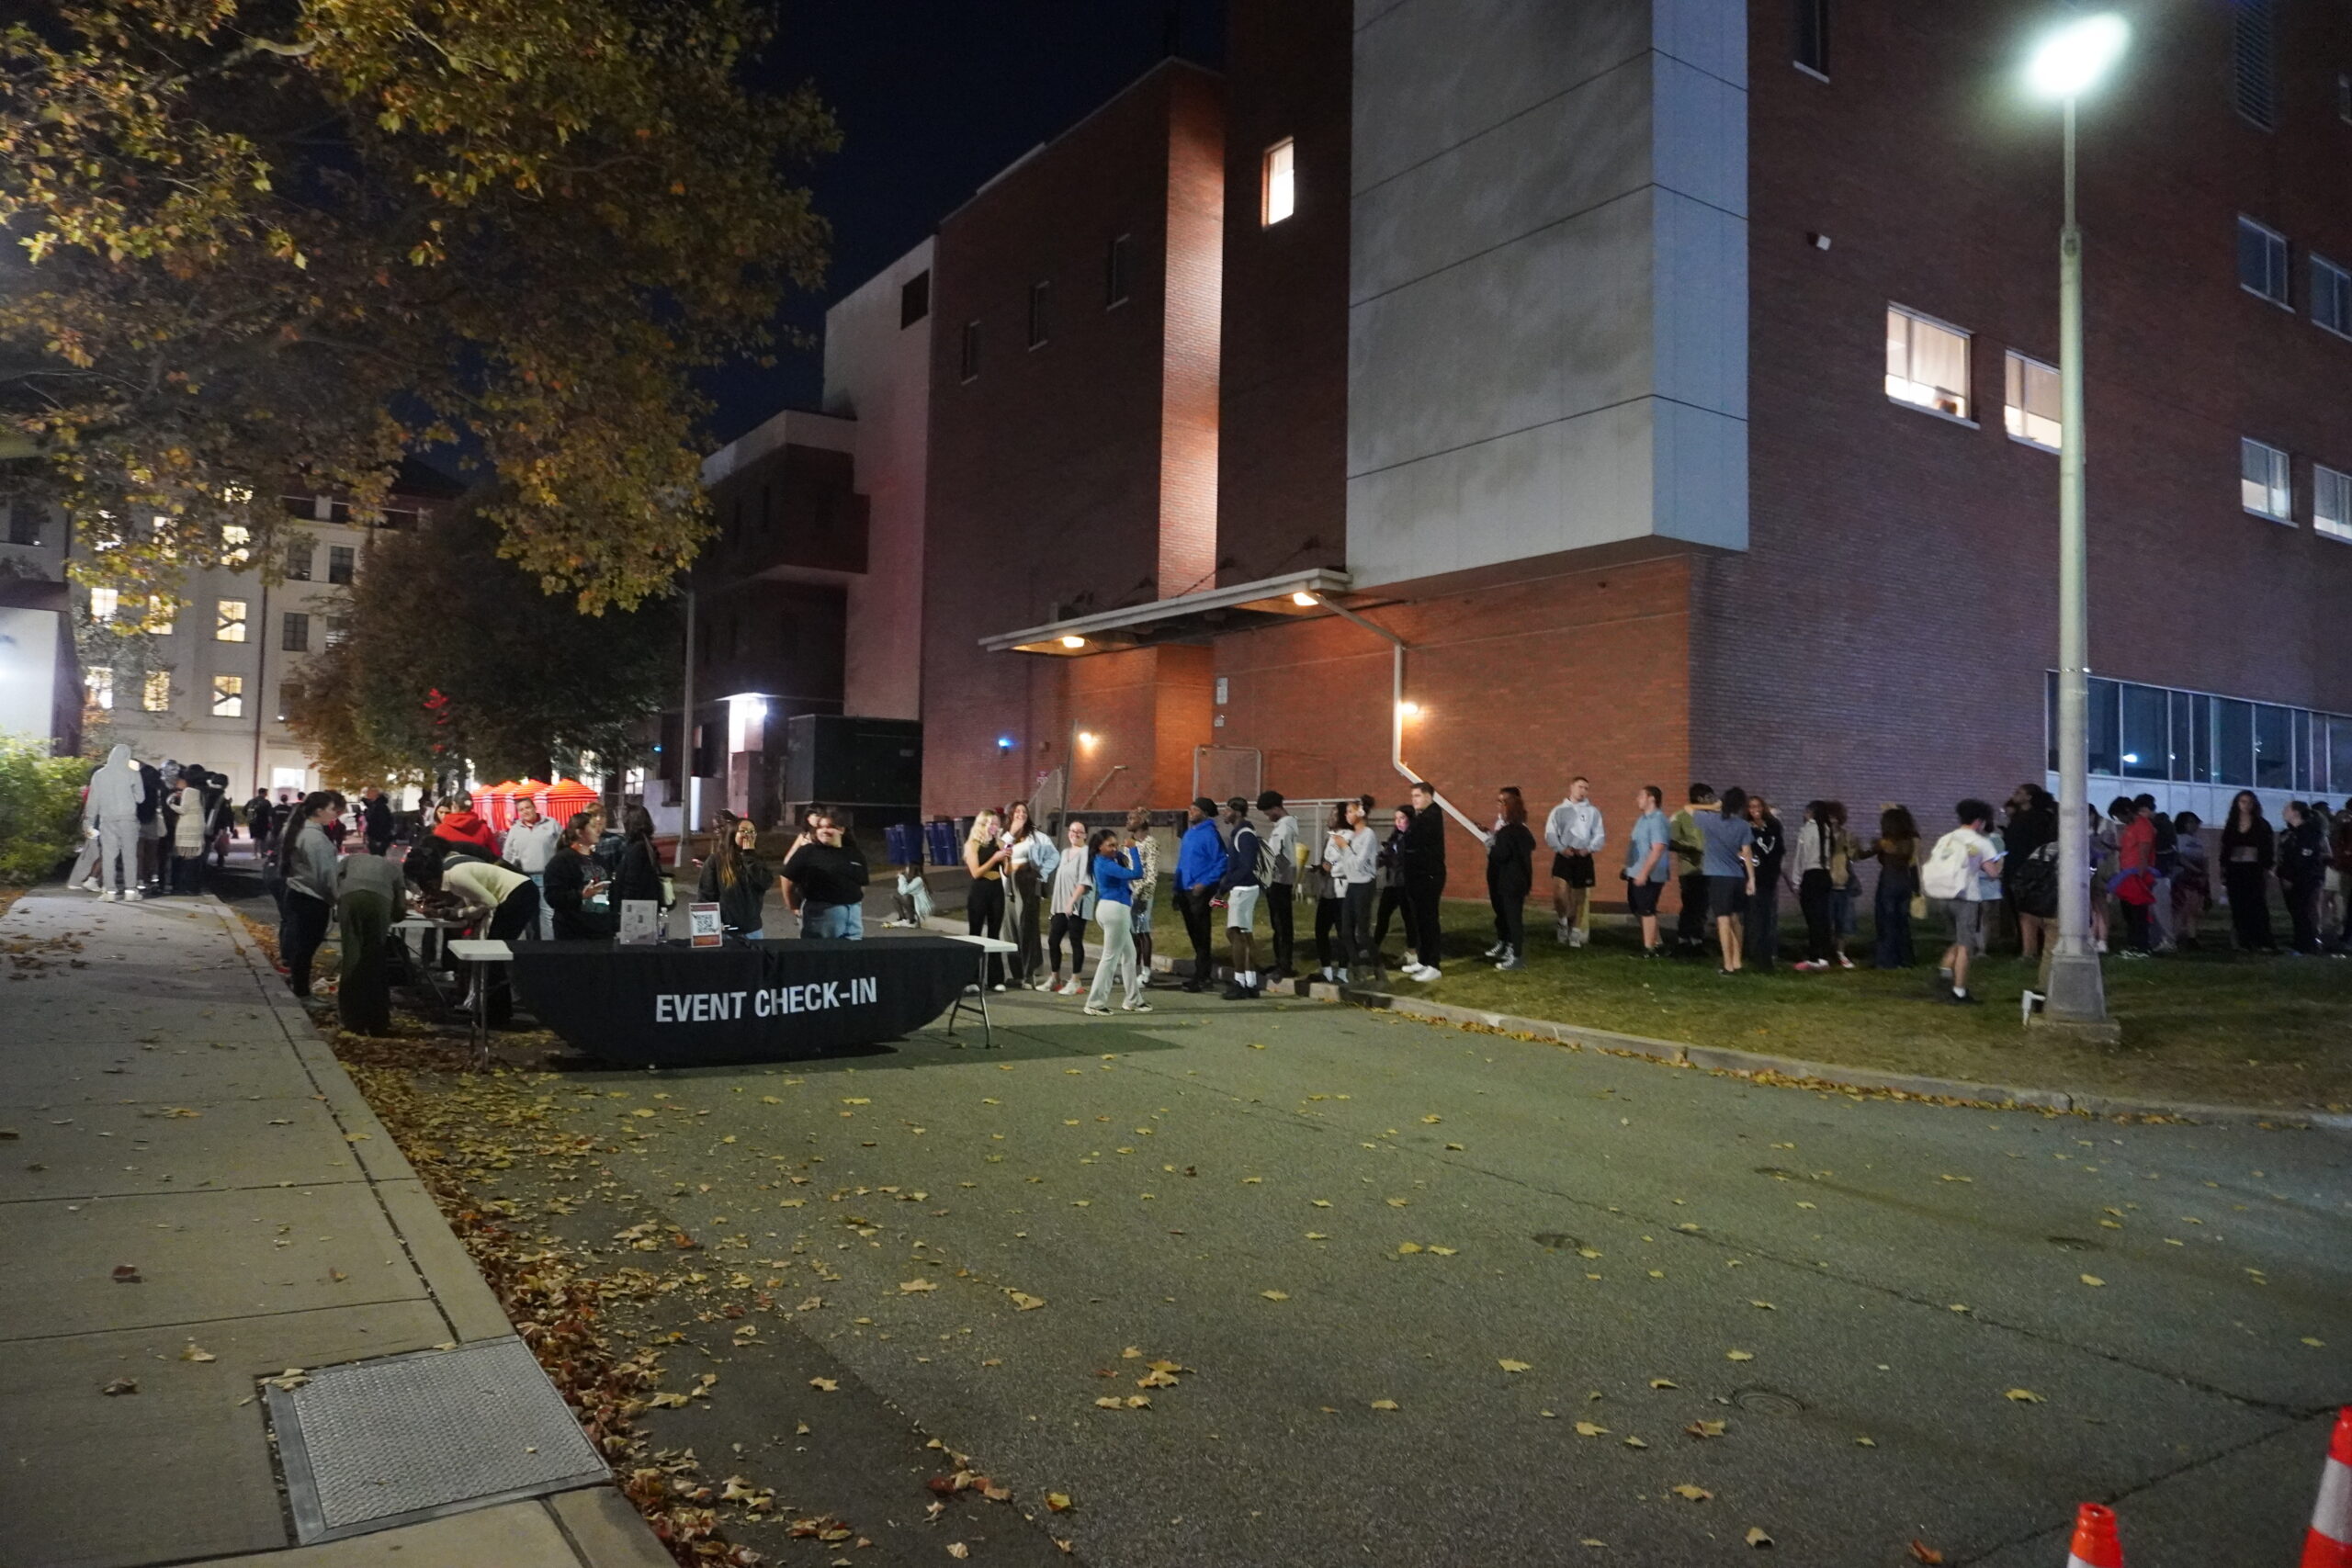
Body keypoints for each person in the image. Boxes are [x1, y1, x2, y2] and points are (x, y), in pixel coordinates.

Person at [432, 851, 541, 1025]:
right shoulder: (454, 868)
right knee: (492, 957)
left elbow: (489, 903)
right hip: (518, 892)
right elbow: (477, 903)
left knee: (491, 956)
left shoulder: (455, 878)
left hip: (516, 896)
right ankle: (493, 1010)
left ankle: (496, 1013)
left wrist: (459, 913)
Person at [1921, 799, 2005, 1004]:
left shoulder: (1946, 838)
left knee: (1957, 939)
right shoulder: (1981, 842)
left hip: (1942, 895)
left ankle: (1944, 973)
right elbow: (1993, 873)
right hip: (1966, 897)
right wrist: (2000, 861)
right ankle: (1959, 991)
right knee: (1967, 944)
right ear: (1979, 821)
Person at [333, 849, 406, 1035]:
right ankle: (377, 1020)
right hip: (380, 899)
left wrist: (339, 905)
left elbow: (336, 882)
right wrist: (395, 914)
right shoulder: (394, 867)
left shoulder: (348, 860)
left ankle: (351, 1018)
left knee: (352, 956)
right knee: (375, 959)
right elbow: (400, 908)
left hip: (350, 897)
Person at [277, 791, 342, 1000]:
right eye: (332, 810)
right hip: (312, 899)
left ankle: (298, 984)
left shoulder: (299, 829)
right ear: (319, 811)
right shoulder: (315, 838)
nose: (335, 815)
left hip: (297, 893)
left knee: (300, 946)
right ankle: (301, 991)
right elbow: (326, 874)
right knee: (306, 948)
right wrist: (338, 899)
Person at [1081, 828, 1151, 1015]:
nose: (1114, 848)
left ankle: (1133, 1000)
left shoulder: (1104, 860)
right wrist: (1134, 850)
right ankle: (1095, 1003)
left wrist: (1122, 849)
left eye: (1115, 844)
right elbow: (1137, 873)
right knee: (1110, 957)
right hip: (1115, 910)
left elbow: (1119, 856)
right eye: (1109, 845)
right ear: (1098, 847)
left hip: (1111, 909)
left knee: (1129, 955)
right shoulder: (1106, 864)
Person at [1700, 786, 1757, 975]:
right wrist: (1751, 879)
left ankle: (1727, 965)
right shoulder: (1743, 825)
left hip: (1718, 877)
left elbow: (1687, 809)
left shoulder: (1710, 820)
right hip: (1737, 877)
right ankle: (1737, 960)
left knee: (1722, 921)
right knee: (1735, 919)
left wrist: (1715, 807)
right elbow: (1747, 853)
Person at [785, 812, 868, 939]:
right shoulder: (808, 852)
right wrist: (793, 906)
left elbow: (861, 883)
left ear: (841, 830)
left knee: (851, 954)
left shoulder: (854, 853)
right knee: (821, 955)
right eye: (820, 827)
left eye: (829, 826)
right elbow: (787, 879)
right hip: (821, 917)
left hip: (853, 917)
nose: (824, 830)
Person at [1544, 776, 1605, 947]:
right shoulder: (1559, 810)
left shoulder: (1592, 811)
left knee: (1579, 896)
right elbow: (1550, 833)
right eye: (1580, 787)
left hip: (1583, 857)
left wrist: (1589, 848)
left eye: (1586, 788)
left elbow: (1599, 835)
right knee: (1560, 893)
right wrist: (1561, 848)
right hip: (1564, 855)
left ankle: (1575, 933)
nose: (1583, 791)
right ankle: (1563, 921)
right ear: (1571, 788)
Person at [2001, 784, 2058, 960]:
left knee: (2030, 910)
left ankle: (2033, 948)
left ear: (2029, 797)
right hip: (2014, 867)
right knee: (2018, 909)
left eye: (2019, 792)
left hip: (2030, 869)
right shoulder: (2018, 817)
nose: (2014, 795)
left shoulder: (2039, 818)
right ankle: (2024, 945)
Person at [1329, 795, 1383, 983]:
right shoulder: (1354, 835)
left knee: (1363, 931)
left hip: (1364, 884)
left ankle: (1378, 967)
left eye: (1351, 811)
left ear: (1361, 812)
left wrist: (1344, 847)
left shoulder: (1368, 834)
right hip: (1352, 884)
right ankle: (1358, 967)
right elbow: (1346, 863)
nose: (1348, 815)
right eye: (1347, 812)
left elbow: (1359, 863)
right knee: (1345, 931)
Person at [1175, 797, 1225, 992]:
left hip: (1200, 892)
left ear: (1204, 813)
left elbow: (1221, 861)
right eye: (1190, 808)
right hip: (1184, 890)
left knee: (1202, 934)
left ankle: (1203, 976)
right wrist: (1176, 888)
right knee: (1193, 933)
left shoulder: (1211, 834)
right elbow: (1182, 861)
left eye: (1195, 809)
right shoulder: (1189, 833)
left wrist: (1204, 883)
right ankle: (1200, 972)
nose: (1191, 812)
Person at [1399, 781, 1448, 981]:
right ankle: (1423, 959)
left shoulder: (1431, 816)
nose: (1414, 800)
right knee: (1419, 920)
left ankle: (1433, 965)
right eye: (1413, 796)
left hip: (1428, 876)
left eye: (1417, 796)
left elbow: (1414, 840)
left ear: (1428, 796)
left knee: (1428, 920)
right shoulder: (1423, 816)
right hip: (1417, 876)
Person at [697, 818, 775, 941]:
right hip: (726, 932)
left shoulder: (757, 860)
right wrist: (708, 932)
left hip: (753, 931)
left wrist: (749, 855)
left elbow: (765, 883)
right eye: (743, 831)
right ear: (733, 834)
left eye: (752, 832)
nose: (748, 835)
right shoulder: (716, 860)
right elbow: (706, 897)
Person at [1485, 786, 1536, 971]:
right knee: (1512, 917)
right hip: (1519, 880)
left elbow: (1501, 855)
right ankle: (1513, 950)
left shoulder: (1508, 832)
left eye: (1502, 804)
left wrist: (1492, 847)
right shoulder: (1522, 831)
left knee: (1513, 918)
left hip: (1509, 880)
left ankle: (1516, 956)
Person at [1863, 805, 1920, 969]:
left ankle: (1886, 960)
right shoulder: (1909, 842)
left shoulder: (1884, 843)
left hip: (1888, 882)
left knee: (1886, 922)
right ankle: (1905, 959)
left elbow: (1863, 854)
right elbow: (1912, 862)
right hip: (1905, 882)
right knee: (1902, 922)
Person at [85, 743, 144, 900]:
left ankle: (109, 891)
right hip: (128, 820)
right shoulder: (133, 774)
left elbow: (93, 801)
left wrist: (89, 821)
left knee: (109, 856)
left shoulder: (99, 775)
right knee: (130, 855)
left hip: (107, 819)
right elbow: (141, 798)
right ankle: (131, 891)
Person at [2218, 790, 2276, 953]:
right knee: (2238, 906)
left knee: (2257, 905)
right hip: (2235, 869)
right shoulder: (2231, 823)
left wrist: (2267, 868)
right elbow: (2225, 848)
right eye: (2242, 802)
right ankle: (2242, 941)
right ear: (2237, 804)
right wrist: (2223, 869)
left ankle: (2262, 941)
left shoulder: (2261, 824)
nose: (2246, 805)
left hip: (2253, 869)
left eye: (2249, 802)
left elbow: (2267, 849)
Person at [1792, 799, 1846, 972]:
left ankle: (1815, 957)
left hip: (1811, 875)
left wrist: (1796, 880)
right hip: (1825, 875)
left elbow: (1800, 857)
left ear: (1810, 812)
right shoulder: (1828, 830)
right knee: (1822, 917)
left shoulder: (1807, 830)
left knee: (1812, 918)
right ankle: (1823, 956)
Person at [1218, 797, 1264, 998]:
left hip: (1244, 888)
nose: (1224, 813)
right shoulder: (1241, 833)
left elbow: (1246, 866)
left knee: (1235, 933)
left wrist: (1225, 886)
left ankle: (1239, 982)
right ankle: (1250, 982)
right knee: (1244, 935)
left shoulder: (1244, 834)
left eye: (1227, 810)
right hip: (1244, 887)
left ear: (1237, 811)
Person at [1000, 803, 1050, 987]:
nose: (1021, 814)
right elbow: (1001, 853)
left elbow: (1048, 858)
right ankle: (1017, 974)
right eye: (1017, 811)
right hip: (1007, 887)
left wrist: (1037, 875)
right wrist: (1012, 834)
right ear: (1011, 815)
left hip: (1027, 886)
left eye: (1024, 811)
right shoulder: (1004, 835)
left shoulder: (1035, 836)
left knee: (1026, 928)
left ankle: (1029, 973)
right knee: (1010, 930)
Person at [1668, 784, 1719, 958]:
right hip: (1689, 869)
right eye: (1710, 796)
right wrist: (1691, 848)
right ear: (1701, 798)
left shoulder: (1711, 817)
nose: (1713, 800)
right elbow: (1672, 841)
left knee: (1702, 906)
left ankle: (1697, 941)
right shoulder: (1680, 816)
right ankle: (1684, 940)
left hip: (1708, 868)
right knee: (1690, 905)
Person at [544, 815, 616, 939]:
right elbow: (553, 897)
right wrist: (581, 895)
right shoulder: (562, 860)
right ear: (580, 832)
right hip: (574, 931)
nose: (599, 830)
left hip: (601, 929)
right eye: (593, 826)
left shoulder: (599, 859)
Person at [503, 796, 562, 939]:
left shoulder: (551, 824)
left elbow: (563, 846)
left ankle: (549, 948)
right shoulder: (515, 829)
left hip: (546, 876)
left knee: (548, 914)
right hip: (524, 878)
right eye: (521, 810)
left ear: (535, 808)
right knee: (525, 914)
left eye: (528, 807)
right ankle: (526, 948)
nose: (525, 812)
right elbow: (508, 854)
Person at [1622, 785, 1671, 956]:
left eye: (1641, 796)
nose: (1638, 799)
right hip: (1635, 871)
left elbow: (1658, 848)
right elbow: (1635, 845)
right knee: (1637, 907)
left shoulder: (1658, 820)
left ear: (1652, 799)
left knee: (1647, 909)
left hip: (1651, 874)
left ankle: (1649, 948)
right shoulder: (1642, 819)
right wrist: (1627, 867)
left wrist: (1644, 872)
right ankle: (1657, 943)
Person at [962, 809, 1010, 988]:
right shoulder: (973, 844)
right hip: (979, 890)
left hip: (996, 889)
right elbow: (976, 872)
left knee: (995, 933)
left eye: (997, 823)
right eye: (991, 823)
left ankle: (996, 979)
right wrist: (994, 858)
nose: (994, 827)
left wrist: (1007, 859)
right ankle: (971, 979)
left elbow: (1007, 871)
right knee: (975, 933)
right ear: (983, 824)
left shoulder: (1001, 843)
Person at [1256, 791, 1299, 980]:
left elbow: (1276, 854)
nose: (1268, 817)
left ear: (1276, 808)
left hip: (1279, 881)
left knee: (1282, 924)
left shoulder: (1284, 827)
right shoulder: (1284, 825)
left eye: (1268, 812)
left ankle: (1284, 964)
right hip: (1278, 879)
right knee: (1278, 924)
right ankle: (1279, 961)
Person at [1046, 818, 1092, 993]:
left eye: (1079, 831)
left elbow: (1084, 882)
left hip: (1077, 906)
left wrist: (1071, 902)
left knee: (1075, 941)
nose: (1075, 834)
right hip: (1060, 906)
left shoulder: (1086, 853)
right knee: (1053, 940)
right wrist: (1056, 906)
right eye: (1072, 830)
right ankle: (1055, 977)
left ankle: (1075, 980)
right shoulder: (1065, 853)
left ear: (1085, 835)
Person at [1743, 793, 1787, 972]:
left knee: (1768, 917)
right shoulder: (1746, 828)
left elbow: (1779, 850)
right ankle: (1754, 953)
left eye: (1758, 807)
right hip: (1753, 877)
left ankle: (1767, 955)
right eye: (1751, 807)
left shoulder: (1773, 826)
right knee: (1754, 915)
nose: (1755, 811)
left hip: (1769, 877)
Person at [2278, 800, 2326, 953]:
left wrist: (2290, 876)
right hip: (2290, 877)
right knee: (2296, 912)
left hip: (2304, 878)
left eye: (2287, 809)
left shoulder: (2308, 833)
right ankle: (2300, 942)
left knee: (2303, 912)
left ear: (2296, 812)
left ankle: (2307, 945)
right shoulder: (2289, 833)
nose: (2283, 811)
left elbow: (2304, 857)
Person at [1373, 805, 1417, 964]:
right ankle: (1374, 947)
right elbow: (1386, 856)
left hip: (1406, 884)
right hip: (1392, 883)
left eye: (1402, 818)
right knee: (1383, 914)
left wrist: (1394, 856)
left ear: (1410, 819)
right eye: (1396, 819)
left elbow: (1408, 860)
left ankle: (1412, 952)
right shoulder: (1395, 837)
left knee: (1409, 918)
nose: (1398, 822)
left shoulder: (1413, 837)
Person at [1306, 803, 1345, 983]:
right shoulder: (1331, 838)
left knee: (1343, 933)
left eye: (1334, 815)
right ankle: (1327, 970)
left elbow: (1343, 862)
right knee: (1321, 930)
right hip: (1328, 892)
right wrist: (1320, 868)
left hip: (1342, 893)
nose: (1330, 818)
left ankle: (1343, 973)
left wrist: (1327, 867)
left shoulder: (1345, 837)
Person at [1123, 807, 1160, 984]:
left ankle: (1146, 972)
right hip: (1128, 892)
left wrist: (1142, 894)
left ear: (1142, 821)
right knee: (1131, 933)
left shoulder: (1150, 842)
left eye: (1132, 817)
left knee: (1143, 931)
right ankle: (1132, 970)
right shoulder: (1129, 843)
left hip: (1143, 894)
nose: (1128, 820)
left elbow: (1151, 873)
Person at [166, 769, 210, 895]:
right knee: (193, 858)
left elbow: (183, 810)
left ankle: (185, 886)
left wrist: (170, 803)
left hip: (188, 828)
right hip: (197, 827)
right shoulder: (199, 791)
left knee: (186, 858)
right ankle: (193, 887)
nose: (177, 782)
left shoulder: (189, 791)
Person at [2171, 810, 2210, 948]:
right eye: (2190, 822)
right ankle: (2173, 937)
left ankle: (2192, 937)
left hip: (2197, 877)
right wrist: (2194, 869)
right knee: (2181, 907)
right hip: (2183, 876)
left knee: (2194, 908)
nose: (2194, 825)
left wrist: (2204, 873)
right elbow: (2179, 857)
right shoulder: (2179, 838)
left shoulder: (2199, 841)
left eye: (2195, 822)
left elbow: (2205, 858)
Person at [360, 786, 394, 856]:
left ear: (375, 794)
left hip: (378, 837)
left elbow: (381, 823)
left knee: (377, 856)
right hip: (376, 837)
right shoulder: (376, 805)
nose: (367, 794)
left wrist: (379, 838)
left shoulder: (379, 807)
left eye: (369, 792)